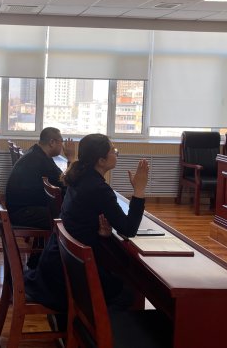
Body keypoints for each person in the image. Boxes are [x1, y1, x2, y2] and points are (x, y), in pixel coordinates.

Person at [24, 133, 148, 315]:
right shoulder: (98, 188)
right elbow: (129, 229)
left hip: (56, 262)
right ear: (101, 161)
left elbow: (80, 219)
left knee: (116, 274)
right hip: (66, 274)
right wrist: (139, 190)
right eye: (113, 150)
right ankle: (97, 328)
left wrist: (99, 233)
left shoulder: (78, 178)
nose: (116, 153)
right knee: (127, 293)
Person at [5, 127, 75, 230]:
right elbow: (65, 183)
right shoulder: (41, 160)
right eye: (62, 141)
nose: (63, 146)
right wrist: (71, 158)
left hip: (19, 209)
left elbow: (61, 179)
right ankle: (60, 240)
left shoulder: (36, 152)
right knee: (71, 217)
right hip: (23, 213)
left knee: (69, 213)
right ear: (52, 142)